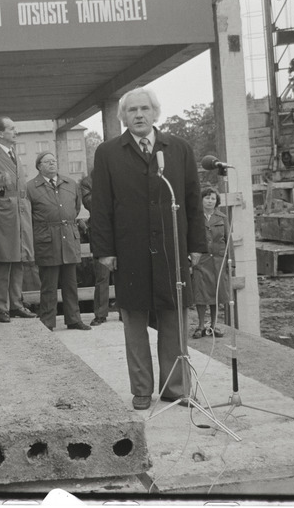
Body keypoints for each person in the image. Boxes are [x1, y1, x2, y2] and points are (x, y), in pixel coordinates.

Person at [91, 86, 206, 411]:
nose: (139, 115)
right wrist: (105, 251)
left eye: (144, 109)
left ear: (155, 113)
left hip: (172, 249)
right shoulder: (108, 152)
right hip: (130, 251)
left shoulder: (179, 149)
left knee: (174, 321)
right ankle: (142, 390)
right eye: (132, 110)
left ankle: (176, 388)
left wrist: (196, 244)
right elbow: (101, 206)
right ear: (123, 117)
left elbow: (193, 199)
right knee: (135, 323)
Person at [0, 116, 36, 323]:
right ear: (0, 133)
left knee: (18, 259)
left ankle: (16, 305)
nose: (16, 132)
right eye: (11, 129)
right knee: (2, 261)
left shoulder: (14, 154)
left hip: (19, 212)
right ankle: (2, 307)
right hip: (1, 213)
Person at [26, 152, 91, 331]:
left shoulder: (70, 184)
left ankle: (73, 319)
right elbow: (27, 215)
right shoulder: (30, 187)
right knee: (49, 284)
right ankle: (48, 321)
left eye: (54, 161)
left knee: (71, 283)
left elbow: (76, 208)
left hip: (69, 237)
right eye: (47, 162)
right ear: (39, 166)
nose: (52, 164)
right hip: (46, 239)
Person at [191, 186, 230, 339]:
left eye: (213, 198)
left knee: (216, 293)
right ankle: (200, 326)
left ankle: (213, 326)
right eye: (207, 198)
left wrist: (230, 262)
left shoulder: (222, 218)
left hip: (218, 261)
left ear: (216, 201)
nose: (210, 201)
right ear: (201, 200)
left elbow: (228, 241)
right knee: (201, 293)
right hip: (201, 260)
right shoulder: (195, 218)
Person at [79, 170, 111, 327]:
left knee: (126, 274)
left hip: (123, 230)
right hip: (100, 231)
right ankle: (100, 314)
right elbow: (91, 204)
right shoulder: (87, 182)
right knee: (102, 275)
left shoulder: (121, 174)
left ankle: (126, 312)